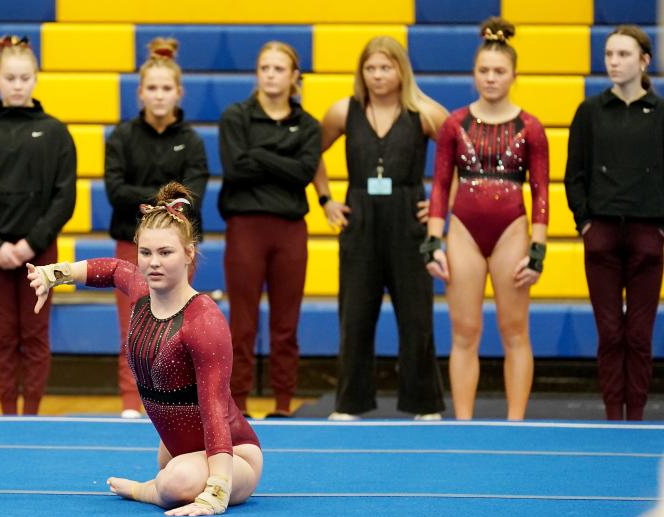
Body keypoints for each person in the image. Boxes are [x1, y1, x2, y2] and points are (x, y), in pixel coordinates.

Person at [27, 182, 263, 516]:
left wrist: (217, 490)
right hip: (178, 448)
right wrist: (55, 273)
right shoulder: (141, 293)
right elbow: (111, 269)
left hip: (233, 456)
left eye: (166, 253)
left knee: (175, 482)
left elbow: (214, 408)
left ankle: (146, 491)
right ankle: (164, 485)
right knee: (172, 470)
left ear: (189, 254)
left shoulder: (203, 320)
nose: (153, 263)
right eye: (146, 252)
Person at [311, 36, 448, 420]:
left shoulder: (424, 112)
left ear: (400, 70)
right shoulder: (343, 111)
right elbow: (311, 154)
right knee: (354, 314)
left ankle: (424, 403)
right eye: (370, 68)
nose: (377, 75)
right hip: (360, 220)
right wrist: (326, 199)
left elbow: (459, 152)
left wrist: (441, 200)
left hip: (408, 220)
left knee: (417, 315)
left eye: (385, 67)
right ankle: (350, 402)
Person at [424, 18, 550, 420]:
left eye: (499, 72)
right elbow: (441, 186)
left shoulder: (531, 127)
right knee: (465, 333)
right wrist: (433, 241)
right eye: (484, 71)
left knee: (515, 332)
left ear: (514, 74)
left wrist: (538, 249)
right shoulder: (454, 124)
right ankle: (464, 423)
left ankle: (515, 422)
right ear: (473, 74)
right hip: (463, 230)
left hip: (512, 228)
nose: (491, 78)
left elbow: (542, 191)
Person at [0, 35, 77, 415]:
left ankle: (33, 412)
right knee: (4, 336)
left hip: (40, 252)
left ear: (36, 78)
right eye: (10, 78)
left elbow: (65, 196)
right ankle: (8, 411)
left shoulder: (56, 133)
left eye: (24, 77)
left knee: (35, 334)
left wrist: (32, 244)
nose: (18, 85)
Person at [104, 37, 209, 419]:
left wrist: (149, 202)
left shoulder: (191, 140)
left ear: (178, 92)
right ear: (140, 93)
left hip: (178, 249)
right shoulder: (122, 137)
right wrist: (168, 199)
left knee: (182, 329)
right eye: (152, 88)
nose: (159, 95)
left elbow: (193, 194)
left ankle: (183, 400)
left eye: (167, 88)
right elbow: (116, 190)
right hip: (131, 246)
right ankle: (132, 402)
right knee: (134, 326)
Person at [565, 25, 664, 421]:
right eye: (609, 55)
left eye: (623, 55)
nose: (613, 62)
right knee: (609, 333)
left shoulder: (660, 114)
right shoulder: (589, 112)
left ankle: (636, 414)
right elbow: (575, 173)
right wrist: (585, 222)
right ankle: (612, 414)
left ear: (644, 61)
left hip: (647, 233)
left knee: (639, 335)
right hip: (602, 233)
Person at [218, 41, 321, 417]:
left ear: (294, 77)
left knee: (285, 323)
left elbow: (304, 173)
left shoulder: (308, 125)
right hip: (246, 227)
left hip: (290, 231)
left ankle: (283, 403)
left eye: (279, 69)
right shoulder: (236, 117)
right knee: (242, 324)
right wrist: (282, 160)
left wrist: (258, 156)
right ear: (257, 73)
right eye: (265, 68)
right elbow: (235, 169)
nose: (271, 75)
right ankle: (237, 403)